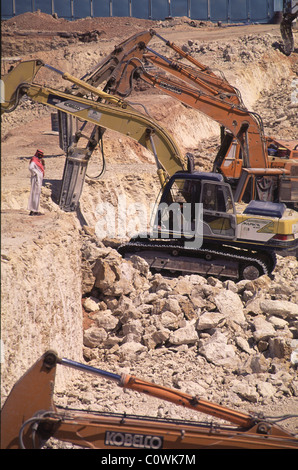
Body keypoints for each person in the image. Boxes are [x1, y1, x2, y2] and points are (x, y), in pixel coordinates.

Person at [28, 149, 45, 216]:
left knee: (37, 194)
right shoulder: (34, 161)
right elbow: (30, 168)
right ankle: (33, 210)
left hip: (38, 180)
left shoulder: (38, 161)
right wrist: (35, 174)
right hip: (36, 180)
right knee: (35, 194)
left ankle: (35, 210)